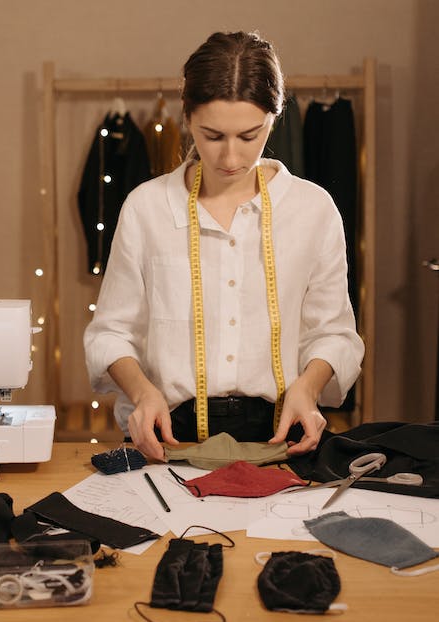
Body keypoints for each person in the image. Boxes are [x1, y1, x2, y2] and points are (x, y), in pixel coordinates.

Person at [83, 31, 364, 462]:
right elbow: (111, 333)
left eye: (250, 136)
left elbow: (334, 333)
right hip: (168, 438)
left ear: (275, 117)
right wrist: (141, 392)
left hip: (280, 439)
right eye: (212, 136)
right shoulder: (147, 207)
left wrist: (308, 389)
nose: (231, 158)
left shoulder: (313, 209)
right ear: (187, 116)